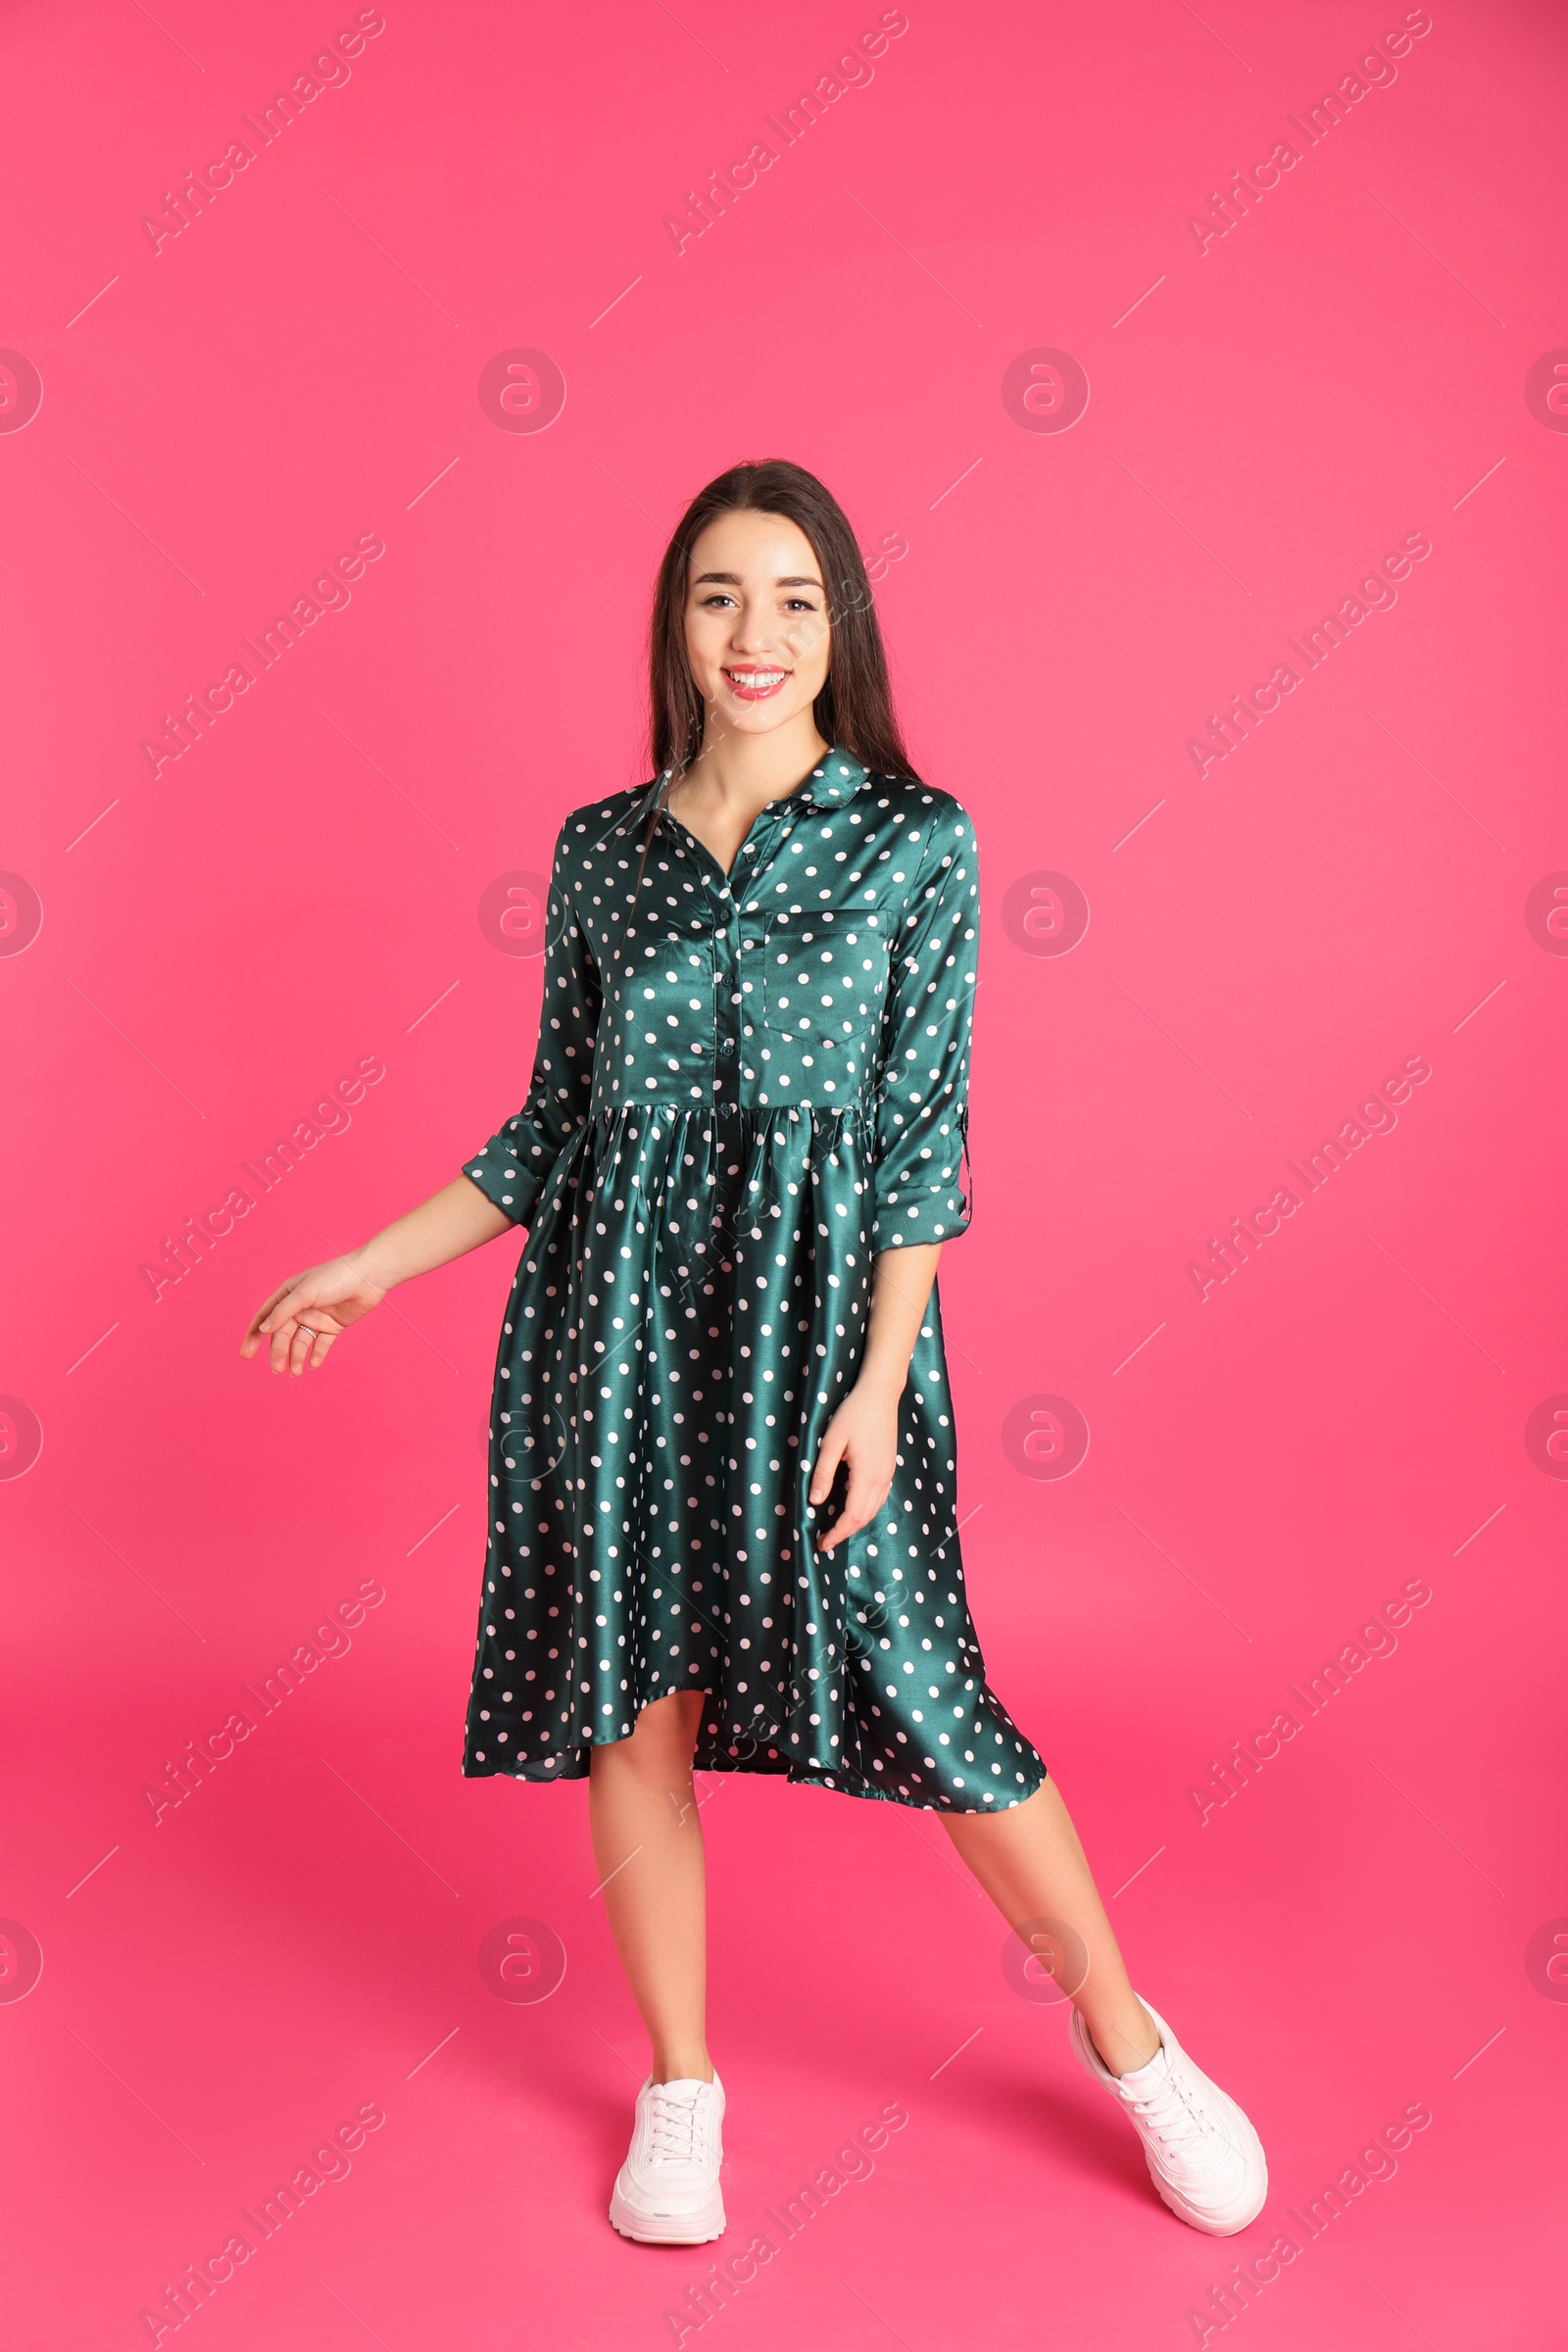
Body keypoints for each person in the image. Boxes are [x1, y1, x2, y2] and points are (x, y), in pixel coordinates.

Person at [241, 459, 1267, 2245]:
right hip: (615, 1336)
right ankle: (682, 2086)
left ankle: (1130, 2035)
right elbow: (553, 1130)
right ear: (676, 622)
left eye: (794, 598)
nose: (756, 634)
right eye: (720, 595)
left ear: (841, 624)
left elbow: (921, 1140)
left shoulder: (912, 840)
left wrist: (879, 1388)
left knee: (933, 1691)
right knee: (635, 1708)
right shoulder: (600, 852)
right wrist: (372, 1266)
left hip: (826, 1342)